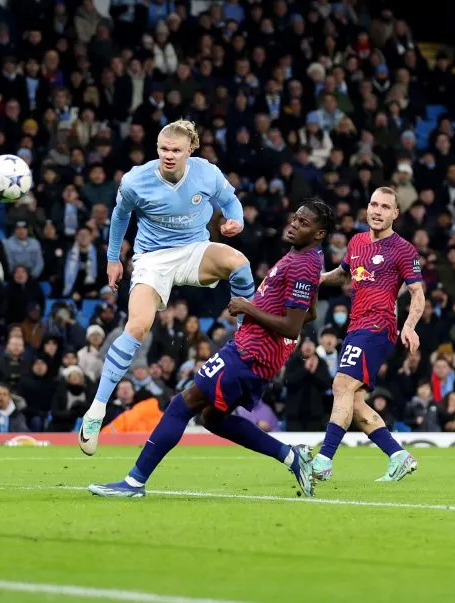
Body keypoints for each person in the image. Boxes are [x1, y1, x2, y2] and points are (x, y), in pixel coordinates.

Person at [88, 200, 332, 498]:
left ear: (319, 234)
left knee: (182, 405)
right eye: (295, 218)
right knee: (212, 418)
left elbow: (294, 326)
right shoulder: (307, 258)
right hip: (257, 353)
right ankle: (292, 457)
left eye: (304, 223)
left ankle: (133, 483)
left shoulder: (303, 264)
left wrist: (248, 308)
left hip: (250, 353)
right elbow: (311, 313)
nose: (294, 225)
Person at [79, 119, 255, 455]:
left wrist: (237, 221)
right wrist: (113, 259)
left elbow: (230, 201)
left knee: (240, 263)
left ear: (190, 150)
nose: (168, 156)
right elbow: (119, 217)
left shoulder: (207, 173)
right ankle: (97, 409)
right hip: (152, 258)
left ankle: (245, 343)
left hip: (193, 251)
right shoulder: (136, 180)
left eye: (175, 150)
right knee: (138, 326)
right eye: (163, 149)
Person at [312, 187, 424, 482]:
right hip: (356, 326)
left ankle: (323, 460)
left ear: (395, 214)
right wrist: (317, 279)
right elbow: (343, 273)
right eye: (374, 204)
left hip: (378, 326)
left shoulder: (403, 250)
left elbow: (417, 293)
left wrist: (409, 326)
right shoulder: (357, 241)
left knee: (341, 384)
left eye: (385, 207)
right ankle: (399, 456)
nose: (377, 211)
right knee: (355, 400)